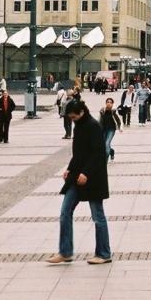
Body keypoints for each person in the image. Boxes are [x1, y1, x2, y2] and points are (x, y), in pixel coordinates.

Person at [47, 98, 111, 265]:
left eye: (74, 117)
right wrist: (69, 169)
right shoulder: (79, 126)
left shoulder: (93, 126)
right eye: (70, 117)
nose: (72, 120)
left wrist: (86, 173)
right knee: (65, 212)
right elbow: (78, 153)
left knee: (98, 216)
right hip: (77, 176)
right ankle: (65, 252)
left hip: (93, 178)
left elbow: (98, 154)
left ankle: (104, 253)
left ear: (82, 112)